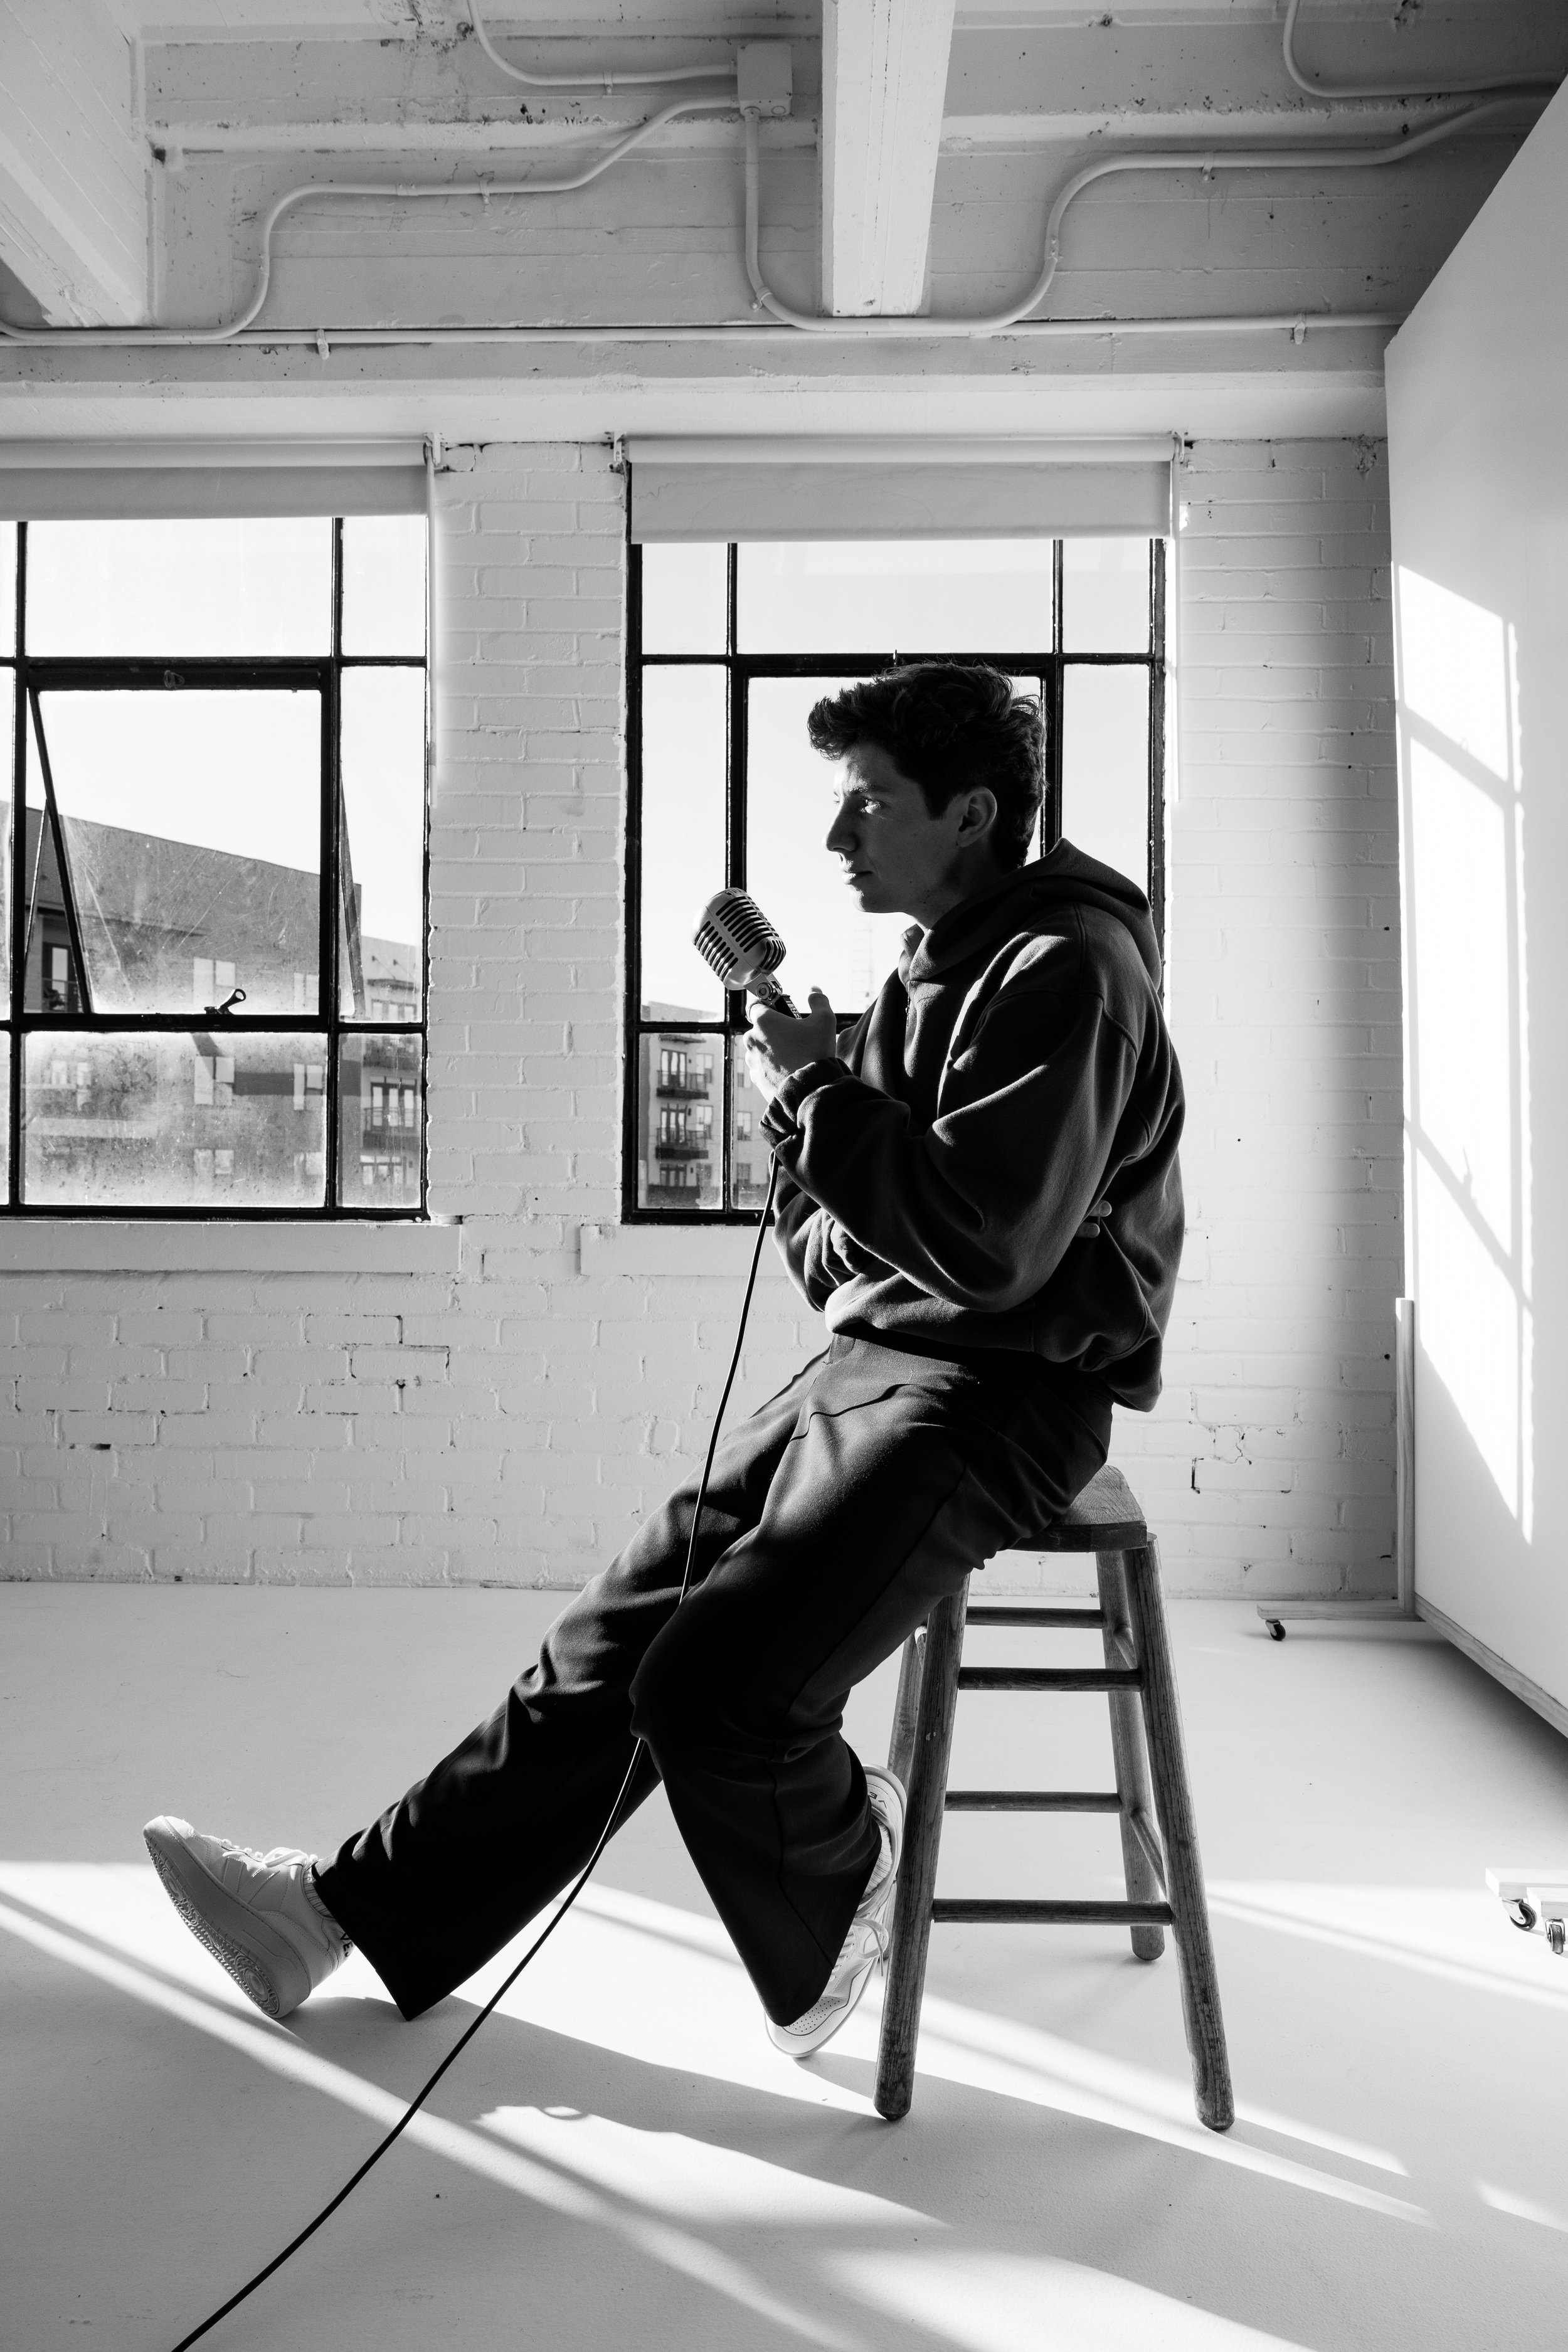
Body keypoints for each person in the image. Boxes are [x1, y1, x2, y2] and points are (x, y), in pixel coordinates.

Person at [145, 660, 1184, 2061]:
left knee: (708, 1691)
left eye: (868, 804)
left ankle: (842, 1887)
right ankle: (335, 1917)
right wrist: (813, 1134)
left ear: (972, 813)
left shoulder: (1069, 971)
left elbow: (990, 1251)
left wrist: (820, 1098)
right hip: (878, 1369)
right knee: (604, 1644)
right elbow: (851, 1262)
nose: (835, 842)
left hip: (1005, 1399)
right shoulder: (926, 972)